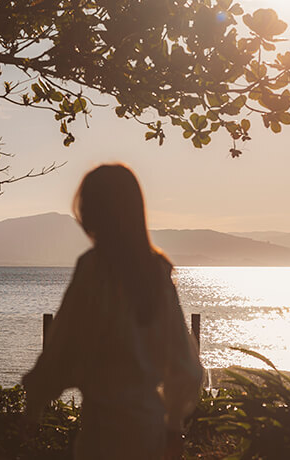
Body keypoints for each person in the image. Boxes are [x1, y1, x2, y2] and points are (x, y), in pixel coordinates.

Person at [22, 163, 204, 459]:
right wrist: (173, 424)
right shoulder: (158, 273)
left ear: (93, 213)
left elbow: (60, 349)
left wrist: (34, 409)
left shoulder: (93, 269)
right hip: (150, 433)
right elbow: (186, 366)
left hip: (102, 434)